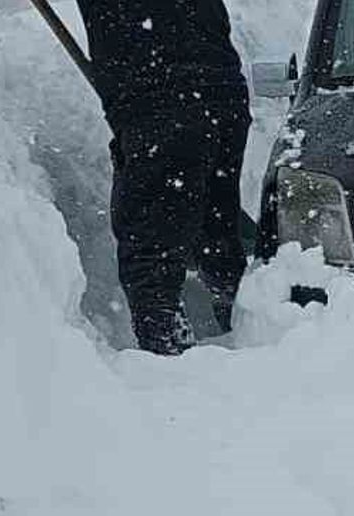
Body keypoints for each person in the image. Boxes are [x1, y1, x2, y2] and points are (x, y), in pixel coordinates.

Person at [76, 0, 251, 355]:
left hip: (161, 98)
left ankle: (167, 360)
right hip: (220, 92)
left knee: (151, 247)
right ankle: (249, 328)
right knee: (216, 229)